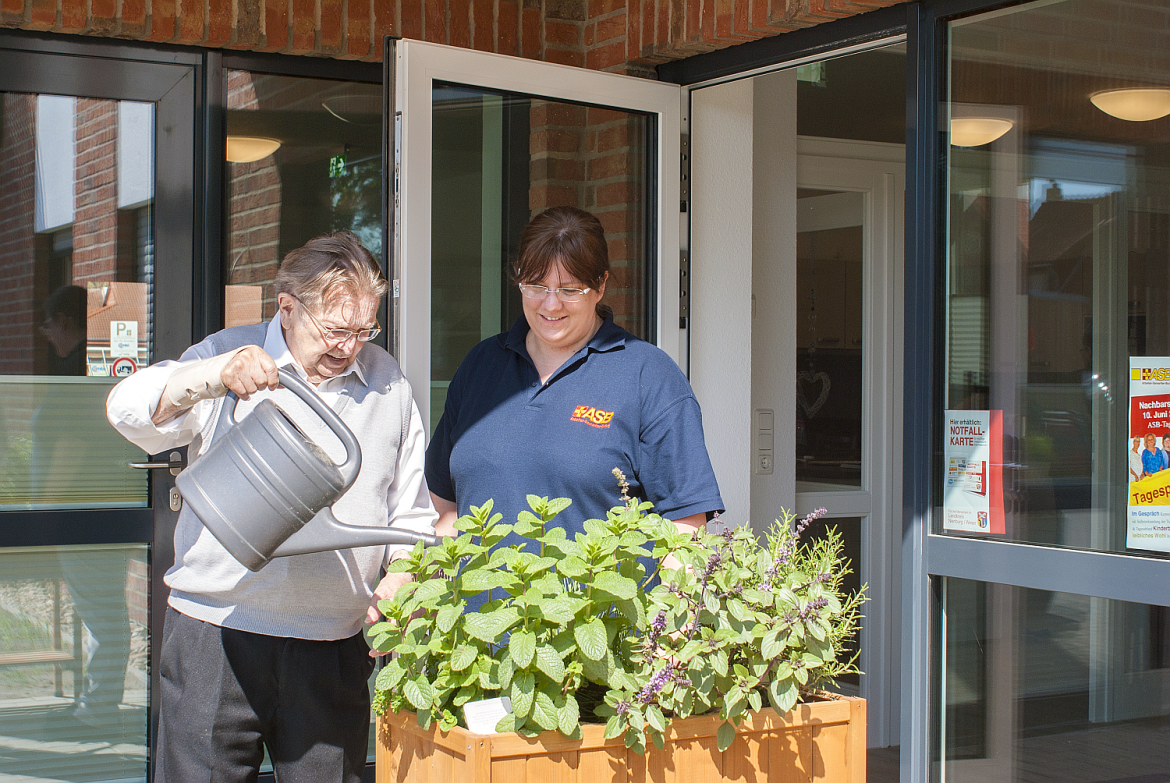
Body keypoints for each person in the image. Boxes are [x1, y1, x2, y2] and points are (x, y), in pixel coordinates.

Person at [106, 231, 436, 783]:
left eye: (364, 330)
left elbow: (411, 516)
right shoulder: (225, 357)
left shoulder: (388, 384)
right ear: (287, 307)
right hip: (216, 636)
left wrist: (400, 578)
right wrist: (214, 377)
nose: (350, 346)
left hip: (333, 646)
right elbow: (128, 412)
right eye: (335, 329)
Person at [425, 206, 723, 576]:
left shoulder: (649, 376)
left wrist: (668, 625)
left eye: (569, 289)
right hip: (478, 623)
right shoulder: (481, 366)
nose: (551, 304)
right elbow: (444, 506)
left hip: (596, 628)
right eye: (536, 286)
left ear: (600, 285)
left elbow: (685, 527)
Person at [36, 286, 133, 727]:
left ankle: (95, 711)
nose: (44, 333)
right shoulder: (86, 369)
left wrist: (40, 509)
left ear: (67, 322)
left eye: (48, 323)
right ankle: (94, 703)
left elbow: (71, 447)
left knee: (100, 614)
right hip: (91, 509)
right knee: (103, 610)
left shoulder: (76, 374)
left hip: (80, 512)